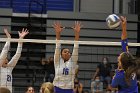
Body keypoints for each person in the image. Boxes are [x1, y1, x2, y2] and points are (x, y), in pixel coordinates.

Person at [110, 16, 139, 93]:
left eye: (119, 58)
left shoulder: (119, 75)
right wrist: (124, 27)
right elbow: (124, 40)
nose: (118, 57)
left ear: (122, 63)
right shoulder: (130, 64)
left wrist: (116, 72)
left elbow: (112, 86)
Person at [53, 21, 82, 93]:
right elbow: (58, 46)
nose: (67, 53)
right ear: (61, 54)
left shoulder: (73, 61)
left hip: (69, 90)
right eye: (65, 52)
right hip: (57, 89)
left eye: (69, 52)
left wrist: (77, 33)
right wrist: (58, 33)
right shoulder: (57, 61)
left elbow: (76, 47)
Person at [0, 28, 29, 92]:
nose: (6, 60)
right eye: (4, 59)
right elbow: (4, 53)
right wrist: (9, 39)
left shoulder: (9, 68)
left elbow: (17, 55)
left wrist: (20, 40)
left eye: (6, 59)